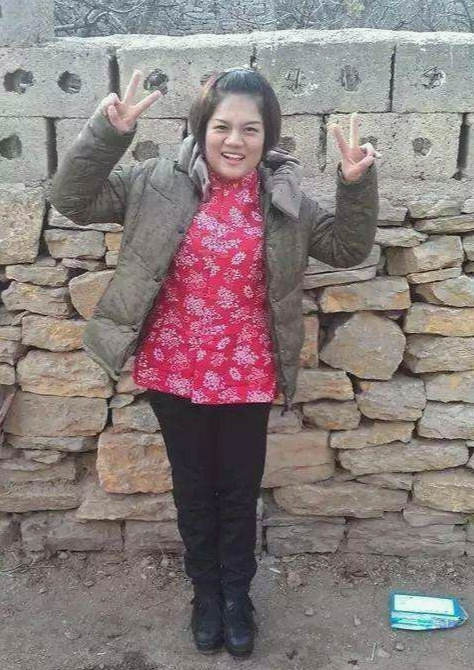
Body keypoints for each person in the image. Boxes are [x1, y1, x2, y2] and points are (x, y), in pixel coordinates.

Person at [51, 66, 379, 658]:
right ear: (201, 127)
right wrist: (109, 132)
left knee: (237, 488)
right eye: (223, 126)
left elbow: (347, 247)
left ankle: (237, 596)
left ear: (267, 135)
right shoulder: (154, 182)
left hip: (247, 370)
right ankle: (205, 594)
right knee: (195, 489)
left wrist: (355, 184)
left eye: (251, 129)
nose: (235, 140)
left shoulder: (284, 200)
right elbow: (71, 199)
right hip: (174, 366)